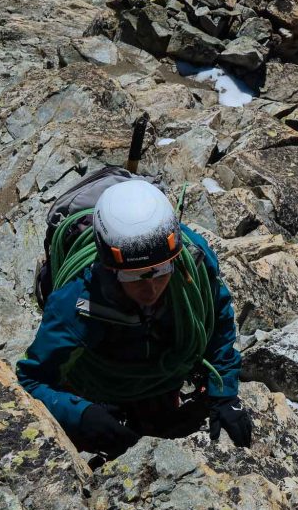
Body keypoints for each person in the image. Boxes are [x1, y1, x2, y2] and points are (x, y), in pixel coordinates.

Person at [17, 180, 251, 461]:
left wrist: (223, 392)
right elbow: (30, 380)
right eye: (134, 275)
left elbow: (220, 321)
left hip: (163, 377)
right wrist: (81, 414)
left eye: (161, 270)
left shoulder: (194, 260)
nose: (151, 287)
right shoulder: (76, 301)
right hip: (97, 388)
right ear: (108, 266)